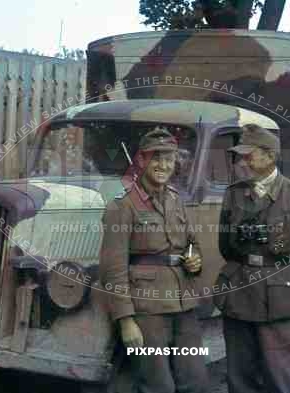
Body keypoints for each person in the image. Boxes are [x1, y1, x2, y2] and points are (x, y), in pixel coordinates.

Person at [215, 124, 290, 393]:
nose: (242, 161)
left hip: (283, 298)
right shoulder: (233, 193)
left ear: (269, 156)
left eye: (248, 155)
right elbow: (226, 247)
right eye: (240, 156)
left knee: (283, 377)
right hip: (240, 294)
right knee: (240, 377)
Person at [99, 128, 209, 393]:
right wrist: (126, 321)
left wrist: (196, 260)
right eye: (155, 158)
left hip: (183, 306)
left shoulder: (175, 200)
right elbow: (112, 270)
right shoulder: (123, 206)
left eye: (168, 159)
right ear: (141, 161)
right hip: (148, 311)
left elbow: (193, 242)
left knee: (196, 381)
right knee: (158, 386)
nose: (163, 165)